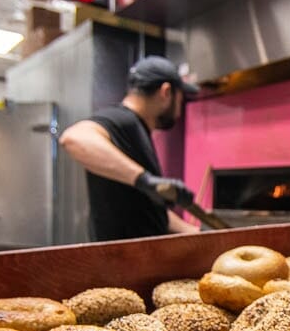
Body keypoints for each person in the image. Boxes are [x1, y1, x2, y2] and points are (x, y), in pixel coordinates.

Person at [59, 55, 200, 240]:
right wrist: (146, 180)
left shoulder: (138, 129)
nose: (179, 110)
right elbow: (73, 138)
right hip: (120, 257)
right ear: (166, 92)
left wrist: (195, 232)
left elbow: (147, 210)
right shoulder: (124, 120)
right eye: (180, 99)